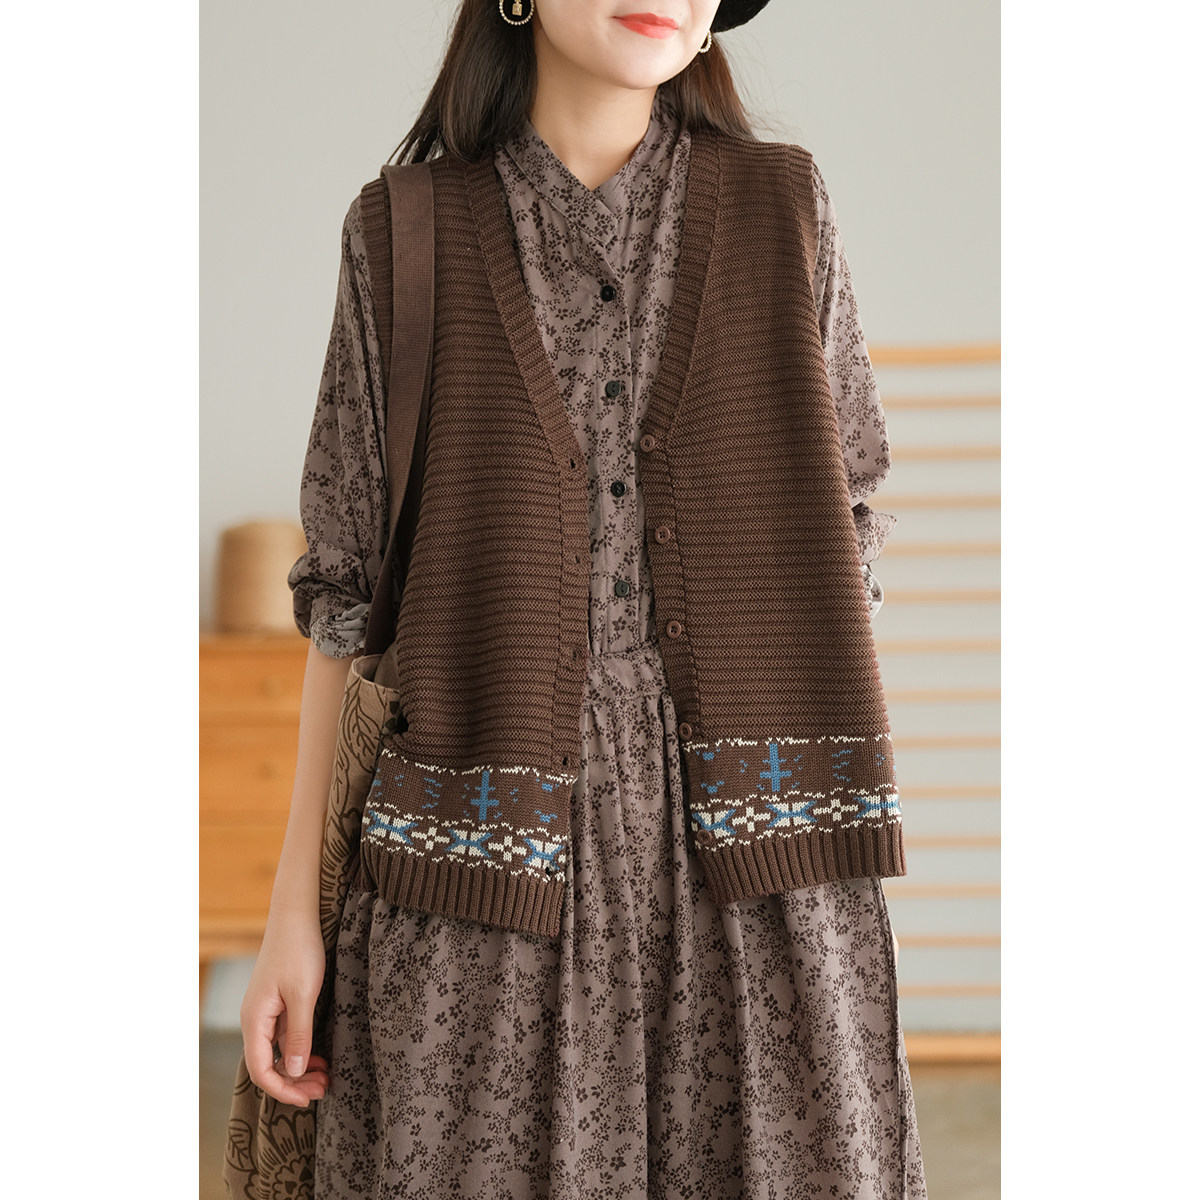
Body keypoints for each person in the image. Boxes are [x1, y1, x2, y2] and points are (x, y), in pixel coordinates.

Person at [239, 0, 927, 1195]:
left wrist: (823, 854)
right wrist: (291, 914)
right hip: (479, 892)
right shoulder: (400, 234)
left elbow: (841, 542)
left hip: (761, 889)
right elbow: (347, 604)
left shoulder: (786, 211)